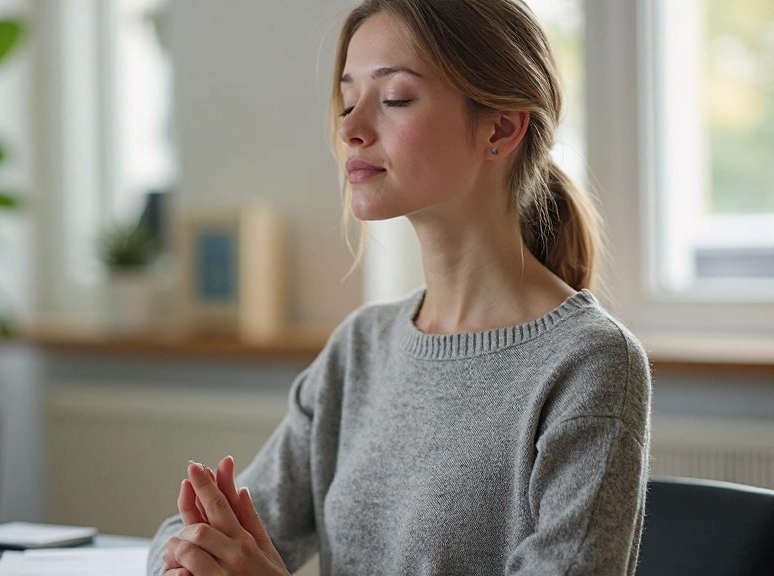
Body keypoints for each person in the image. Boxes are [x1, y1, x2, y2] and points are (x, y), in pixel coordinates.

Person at [148, 0, 651, 574]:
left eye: (394, 99)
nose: (350, 128)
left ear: (502, 126)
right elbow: (186, 537)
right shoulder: (360, 348)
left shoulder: (590, 365)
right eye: (347, 99)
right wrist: (194, 558)